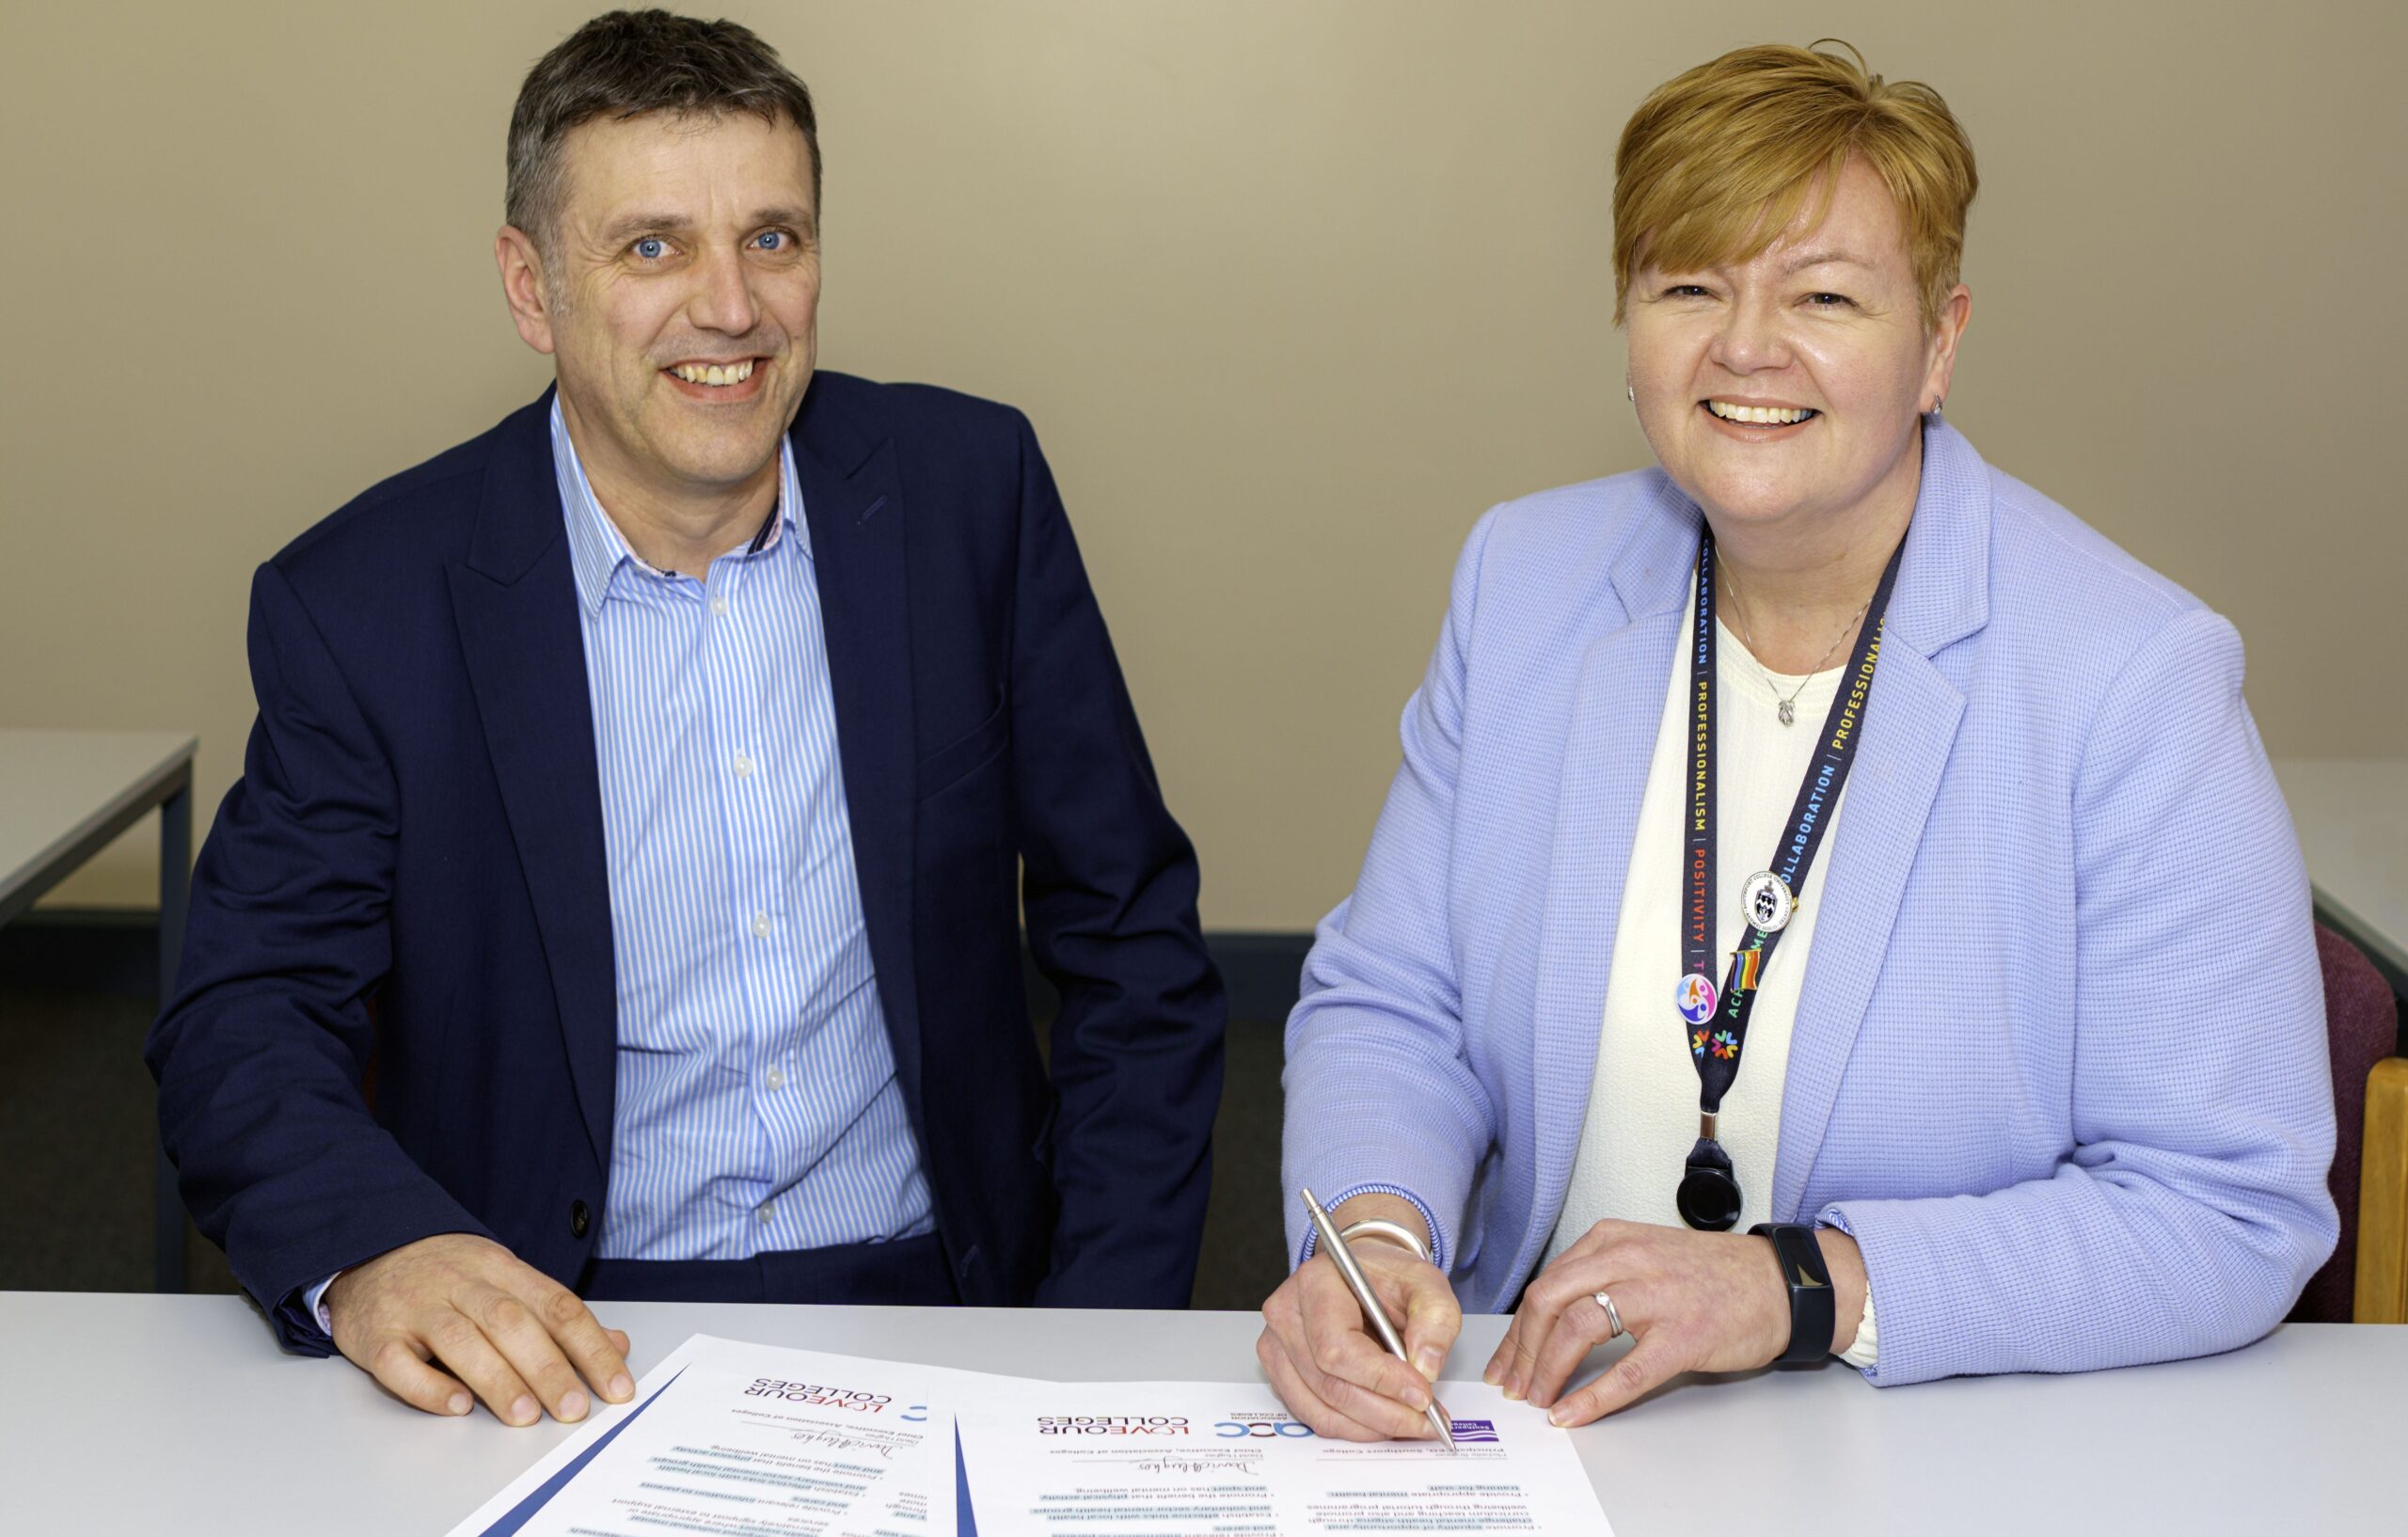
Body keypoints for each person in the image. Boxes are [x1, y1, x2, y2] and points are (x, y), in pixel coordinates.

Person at [147, 9, 1225, 1429]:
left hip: (948, 1289)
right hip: (556, 1323)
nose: (732, 306)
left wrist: (1097, 1346)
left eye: (772, 238)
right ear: (531, 289)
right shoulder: (365, 604)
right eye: (652, 246)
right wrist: (378, 1250)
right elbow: (243, 1010)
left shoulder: (970, 499)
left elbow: (1132, 938)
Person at [1259, 40, 2336, 1434]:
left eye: (1823, 295)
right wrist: (1377, 1237)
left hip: (1927, 1446)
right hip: (1530, 1425)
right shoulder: (1520, 583)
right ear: (1627, 323)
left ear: (1941, 343)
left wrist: (1798, 1285)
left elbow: (2226, 1204)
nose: (1745, 346)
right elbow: (1397, 1000)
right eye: (1689, 285)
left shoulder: (2128, 678)